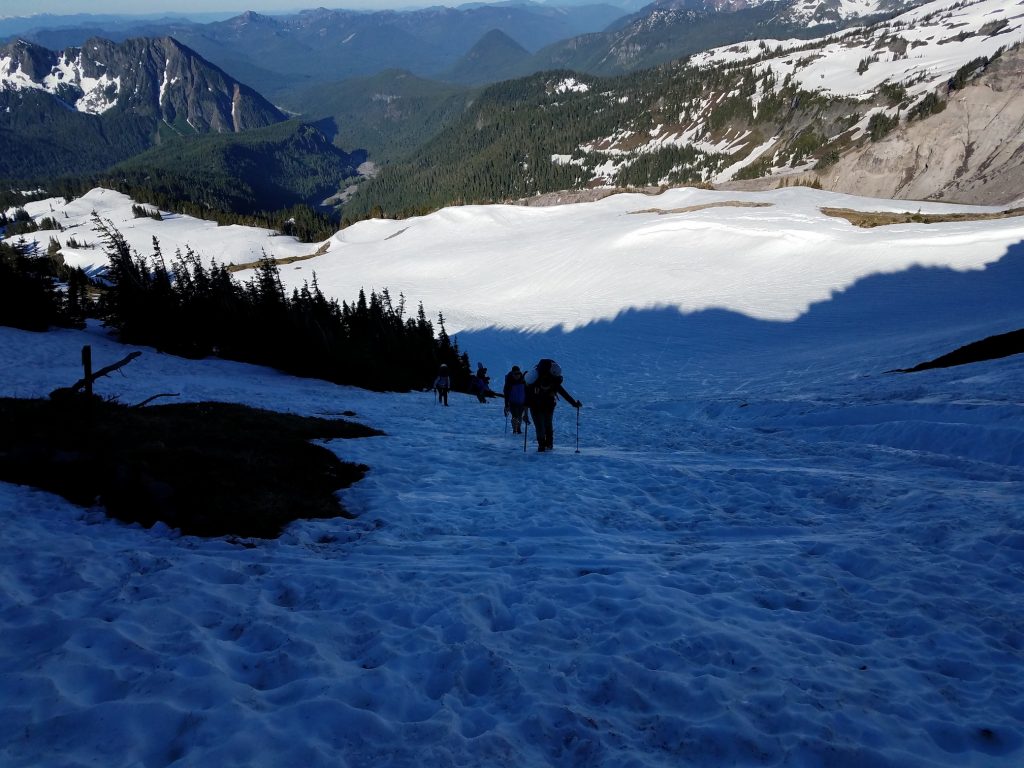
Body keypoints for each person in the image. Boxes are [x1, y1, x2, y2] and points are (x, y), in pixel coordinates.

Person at [524, 358, 581, 452]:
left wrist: (574, 403)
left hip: (542, 407)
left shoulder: (538, 381)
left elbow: (527, 398)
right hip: (543, 407)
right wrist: (574, 403)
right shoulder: (550, 381)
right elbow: (564, 393)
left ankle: (545, 445)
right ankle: (545, 445)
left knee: (543, 426)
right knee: (544, 426)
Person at [503, 365, 527, 434]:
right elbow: (506, 394)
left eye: (519, 373)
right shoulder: (509, 382)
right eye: (516, 374)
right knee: (515, 416)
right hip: (512, 402)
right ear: (512, 373)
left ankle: (518, 429)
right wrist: (506, 405)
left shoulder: (523, 380)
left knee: (519, 416)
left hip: (521, 402)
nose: (517, 375)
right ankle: (515, 429)